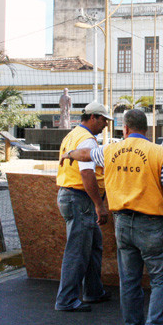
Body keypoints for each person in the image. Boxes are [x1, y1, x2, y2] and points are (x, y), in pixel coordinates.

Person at [61, 109, 163, 325]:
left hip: (122, 224)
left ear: (125, 129)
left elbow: (85, 154)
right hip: (152, 225)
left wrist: (68, 153)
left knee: (129, 281)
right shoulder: (160, 153)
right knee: (161, 279)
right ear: (147, 130)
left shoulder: (109, 151)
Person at [54, 101, 112, 312]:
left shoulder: (74, 135)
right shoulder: (87, 140)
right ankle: (67, 300)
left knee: (94, 244)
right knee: (77, 251)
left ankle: (93, 291)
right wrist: (99, 205)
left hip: (72, 196)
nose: (106, 124)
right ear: (94, 117)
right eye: (104, 119)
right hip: (80, 199)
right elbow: (86, 173)